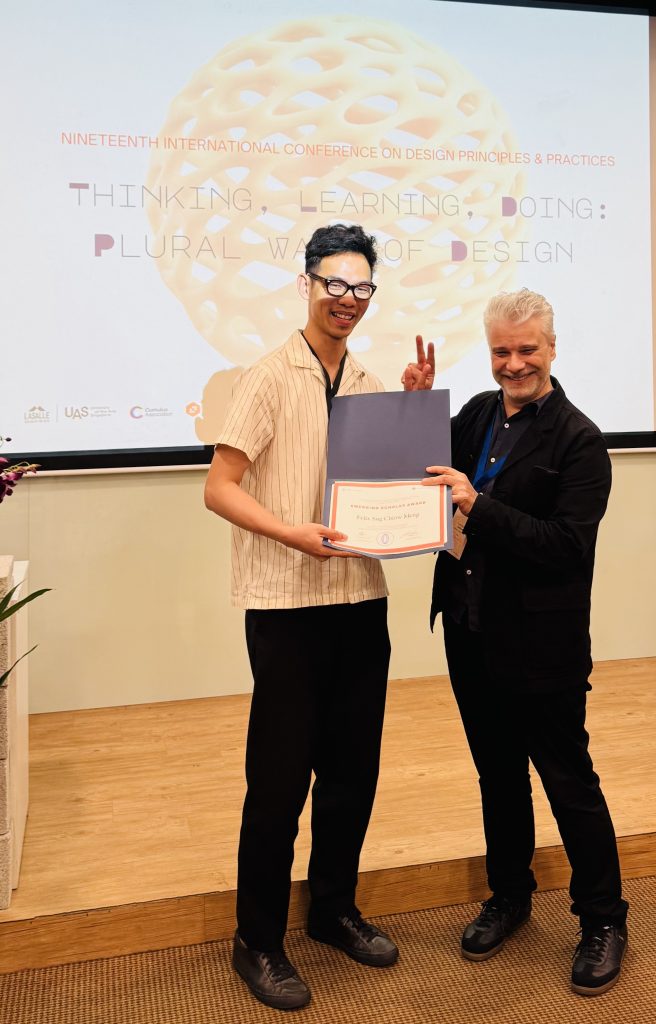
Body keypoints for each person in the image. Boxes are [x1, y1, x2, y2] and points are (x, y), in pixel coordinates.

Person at [204, 224, 431, 1011]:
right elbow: (219, 487)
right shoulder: (268, 377)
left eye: (362, 288)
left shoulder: (369, 381)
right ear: (307, 284)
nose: (348, 300)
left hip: (360, 602)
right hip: (286, 604)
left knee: (352, 773)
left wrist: (409, 414)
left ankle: (333, 908)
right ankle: (257, 939)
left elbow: (390, 496)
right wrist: (291, 530)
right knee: (278, 780)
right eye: (335, 284)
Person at [406, 287, 628, 997]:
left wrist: (480, 504)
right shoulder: (475, 412)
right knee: (497, 776)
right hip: (471, 631)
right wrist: (415, 408)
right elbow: (420, 475)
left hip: (542, 645)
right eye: (501, 350)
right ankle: (509, 896)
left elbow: (564, 546)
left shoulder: (580, 439)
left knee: (569, 783)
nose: (513, 363)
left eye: (527, 349)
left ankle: (602, 919)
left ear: (553, 348)